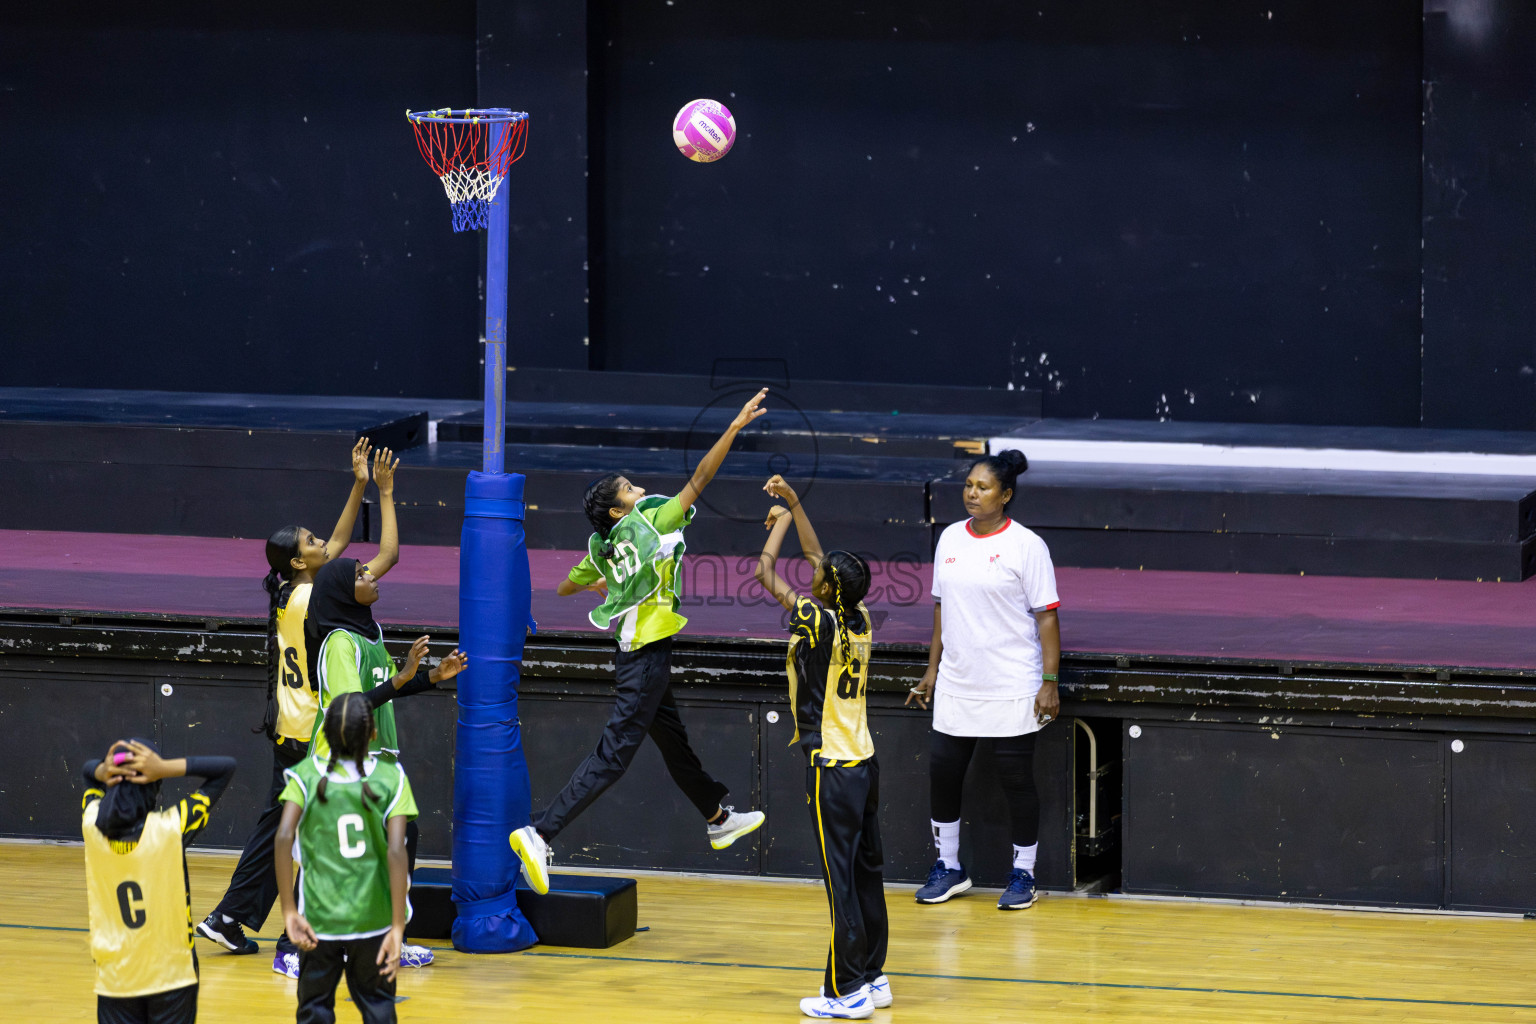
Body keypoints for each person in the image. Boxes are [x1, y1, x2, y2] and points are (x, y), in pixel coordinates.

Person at [508, 388, 773, 894]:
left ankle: (718, 817)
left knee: (674, 745)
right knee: (614, 754)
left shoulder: (604, 546)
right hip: (644, 656)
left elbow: (564, 584)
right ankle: (539, 832)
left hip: (640, 651)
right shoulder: (651, 520)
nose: (637, 488)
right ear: (617, 510)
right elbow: (701, 479)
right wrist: (735, 427)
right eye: (627, 488)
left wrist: (601, 581)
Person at [197, 439, 402, 982]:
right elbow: (378, 558)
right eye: (312, 542)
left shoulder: (293, 593)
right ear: (298, 561)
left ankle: (231, 917)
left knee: (276, 828)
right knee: (300, 831)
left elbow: (336, 544)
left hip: (288, 728)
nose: (324, 543)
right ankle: (300, 929)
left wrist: (357, 482)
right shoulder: (316, 599)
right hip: (310, 732)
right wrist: (380, 492)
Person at [755, 475, 889, 1021]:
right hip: (865, 759)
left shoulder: (815, 620)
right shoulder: (859, 619)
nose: (811, 573)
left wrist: (780, 520)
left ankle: (845, 991)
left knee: (840, 882)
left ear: (828, 589)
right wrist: (791, 502)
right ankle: (874, 976)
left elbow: (766, 572)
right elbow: (817, 555)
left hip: (832, 766)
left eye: (819, 575)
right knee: (866, 873)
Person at [905, 449, 1060, 910]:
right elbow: (940, 609)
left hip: (1012, 683)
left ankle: (1024, 875)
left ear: (1005, 495)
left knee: (1016, 779)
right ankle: (949, 867)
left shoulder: (1027, 546)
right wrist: (932, 670)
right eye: (969, 485)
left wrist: (1049, 681)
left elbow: (1047, 618)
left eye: (983, 487)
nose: (972, 493)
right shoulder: (950, 538)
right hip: (957, 682)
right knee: (943, 775)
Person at [305, 547, 467, 968]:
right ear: (343, 591)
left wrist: (431, 677)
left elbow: (386, 688)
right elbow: (350, 704)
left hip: (378, 758)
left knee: (400, 840)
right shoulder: (339, 643)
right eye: (361, 575)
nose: (372, 577)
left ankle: (392, 938)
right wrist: (402, 677)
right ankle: (307, 947)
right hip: (340, 761)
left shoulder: (369, 634)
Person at [275, 693, 416, 1024]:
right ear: (374, 734)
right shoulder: (392, 778)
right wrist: (398, 926)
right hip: (374, 919)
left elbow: (282, 838)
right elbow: (397, 852)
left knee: (314, 1009)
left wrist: (288, 911)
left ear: (323, 733)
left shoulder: (304, 775)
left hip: (319, 919)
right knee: (378, 1005)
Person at [82, 739, 236, 1024]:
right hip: (172, 976)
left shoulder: (91, 824)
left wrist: (105, 769)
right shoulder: (170, 828)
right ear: (153, 787)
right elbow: (225, 768)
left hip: (116, 977)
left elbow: (87, 772)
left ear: (110, 783)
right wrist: (163, 768)